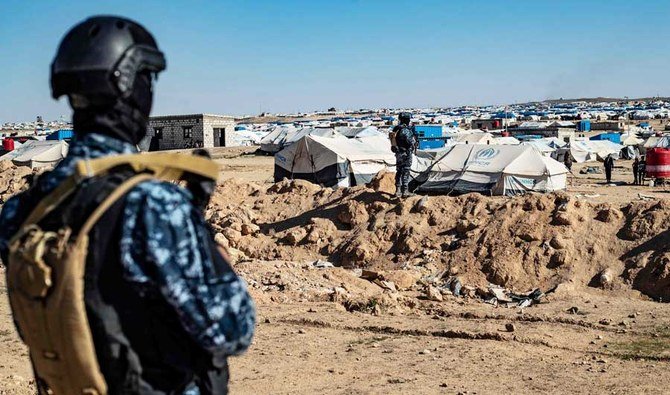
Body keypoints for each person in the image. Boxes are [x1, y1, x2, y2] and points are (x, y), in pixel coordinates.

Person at [0, 16, 255, 394]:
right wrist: (216, 258)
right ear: (129, 84)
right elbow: (233, 330)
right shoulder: (153, 204)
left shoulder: (22, 210)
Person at [390, 112, 418, 197]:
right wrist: (414, 139)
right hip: (406, 153)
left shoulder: (396, 129)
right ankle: (405, 191)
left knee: (399, 171)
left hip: (398, 154)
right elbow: (410, 142)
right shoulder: (405, 130)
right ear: (406, 120)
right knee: (406, 171)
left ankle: (398, 190)